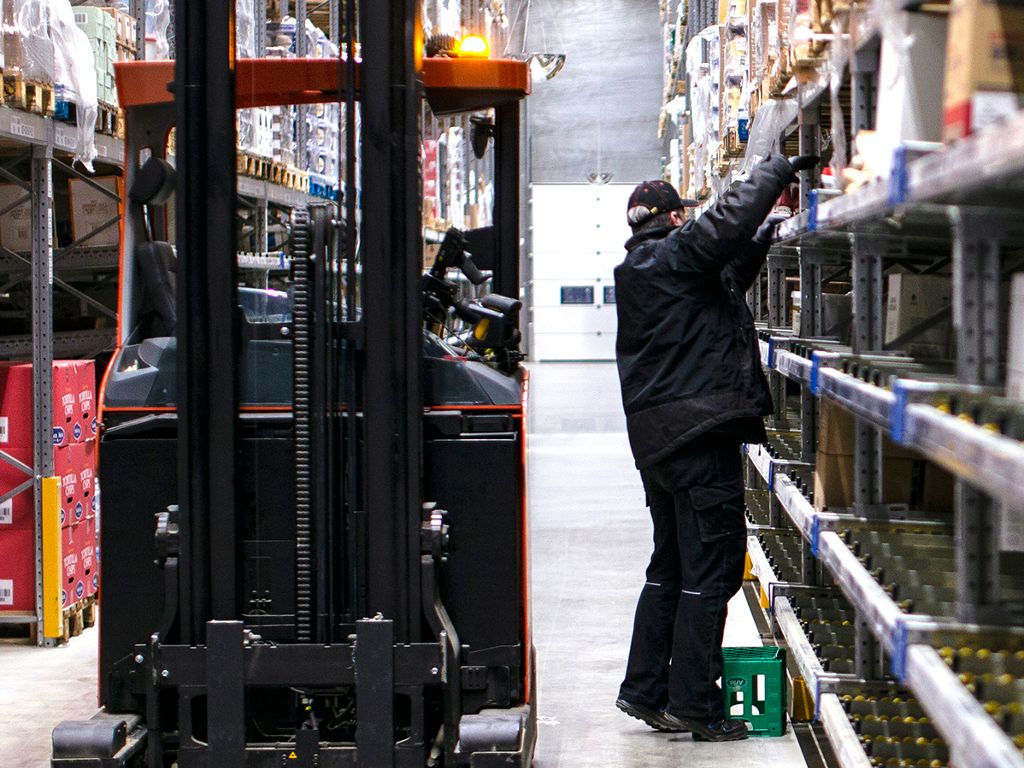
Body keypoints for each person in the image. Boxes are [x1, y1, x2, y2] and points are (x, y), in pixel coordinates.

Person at [612, 155, 817, 742]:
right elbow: (721, 229)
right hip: (698, 438)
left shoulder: (648, 268)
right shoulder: (674, 255)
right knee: (712, 570)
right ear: (676, 217)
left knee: (671, 567)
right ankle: (696, 706)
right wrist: (774, 171)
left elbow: (725, 275)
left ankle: (645, 689)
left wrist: (765, 231)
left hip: (662, 443)